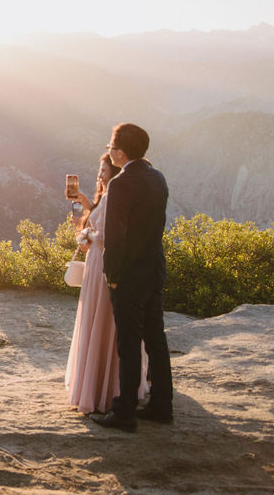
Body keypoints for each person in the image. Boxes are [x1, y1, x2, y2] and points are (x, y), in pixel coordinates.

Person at [93, 123, 174, 432]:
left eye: (111, 147)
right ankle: (161, 405)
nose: (109, 151)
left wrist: (112, 275)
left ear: (120, 153)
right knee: (156, 338)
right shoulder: (158, 177)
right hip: (154, 269)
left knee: (128, 343)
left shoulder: (122, 184)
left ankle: (124, 411)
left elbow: (116, 237)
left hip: (129, 274)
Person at [65, 154, 147, 414]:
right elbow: (100, 227)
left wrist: (87, 234)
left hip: (103, 264)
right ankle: (106, 384)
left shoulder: (115, 196)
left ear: (114, 172)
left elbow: (109, 235)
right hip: (97, 262)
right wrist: (88, 212)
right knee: (102, 323)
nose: (99, 175)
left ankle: (100, 388)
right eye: (99, 170)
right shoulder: (110, 196)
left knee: (101, 321)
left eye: (103, 170)